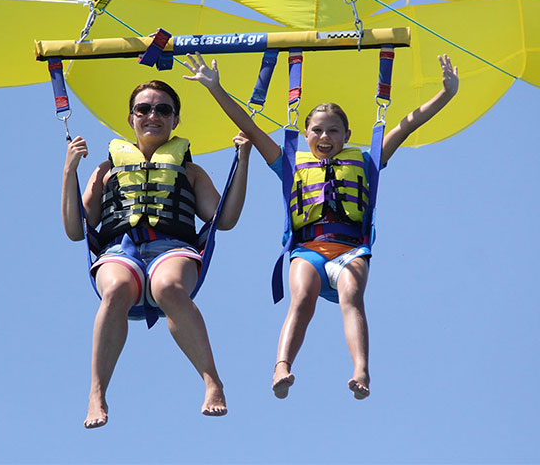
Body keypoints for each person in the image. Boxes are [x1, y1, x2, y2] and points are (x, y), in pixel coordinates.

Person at [184, 51, 459, 401]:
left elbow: (405, 125)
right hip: (308, 249)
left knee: (352, 295)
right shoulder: (289, 162)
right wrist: (215, 89)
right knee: (301, 297)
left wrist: (446, 94)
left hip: (351, 249)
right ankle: (282, 364)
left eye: (333, 130)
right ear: (306, 133)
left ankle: (361, 370)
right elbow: (250, 127)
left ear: (347, 134)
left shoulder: (368, 159)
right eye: (317, 130)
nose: (324, 136)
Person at [61, 80, 251, 428]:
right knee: (116, 288)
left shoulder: (191, 171)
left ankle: (212, 382)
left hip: (173, 249)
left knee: (167, 287)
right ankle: (97, 393)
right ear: (131, 117)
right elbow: (76, 230)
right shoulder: (105, 170)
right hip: (119, 250)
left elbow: (224, 220)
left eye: (163, 109)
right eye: (143, 109)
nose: (153, 115)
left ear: (175, 120)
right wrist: (69, 170)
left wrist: (243, 159)